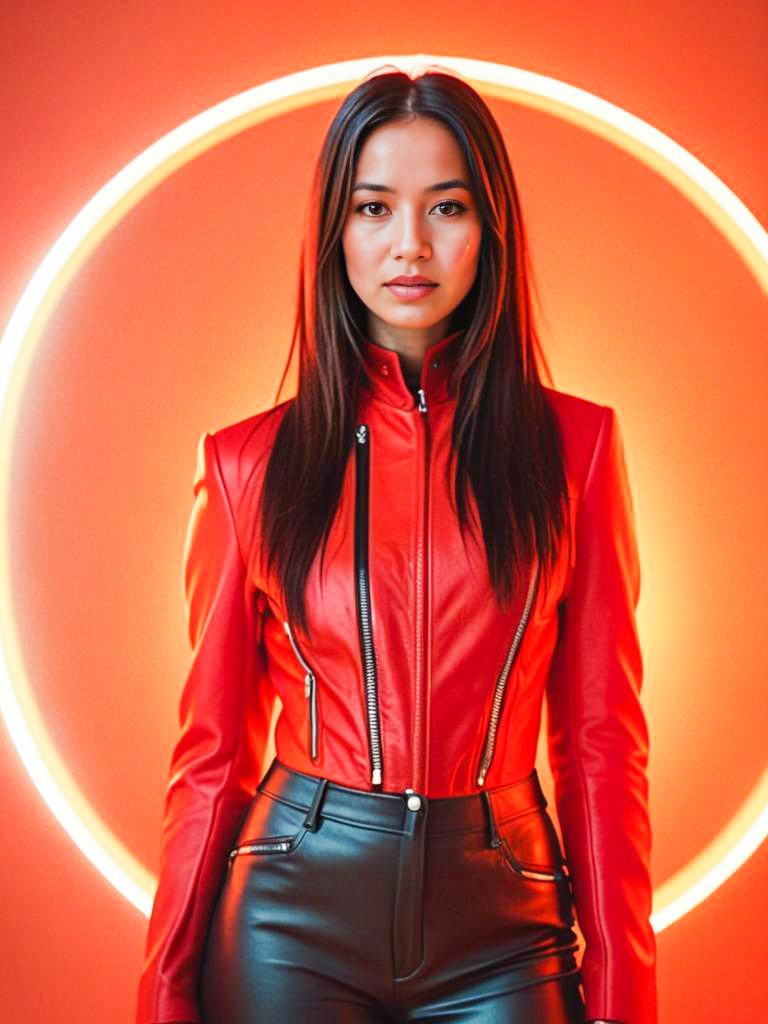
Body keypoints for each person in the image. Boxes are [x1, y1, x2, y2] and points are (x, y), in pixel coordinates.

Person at [135, 66, 656, 1024]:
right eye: (374, 207)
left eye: (446, 206)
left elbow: (599, 746)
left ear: (489, 228)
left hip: (507, 924)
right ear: (335, 231)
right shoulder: (249, 464)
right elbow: (210, 757)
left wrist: (626, 987)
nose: (410, 244)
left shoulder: (575, 451)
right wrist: (165, 989)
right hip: (291, 920)